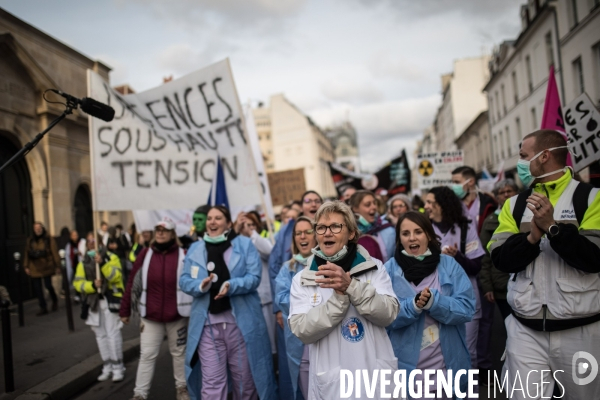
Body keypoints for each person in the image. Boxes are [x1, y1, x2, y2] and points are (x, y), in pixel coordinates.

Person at [488, 130, 600, 398]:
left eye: (524, 156)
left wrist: (553, 228)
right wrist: (532, 237)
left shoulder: (591, 198)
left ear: (545, 156)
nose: (521, 164)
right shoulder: (514, 205)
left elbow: (593, 258)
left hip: (581, 330)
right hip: (526, 330)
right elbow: (501, 259)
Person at [289, 200, 399, 400]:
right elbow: (301, 330)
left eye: (335, 226)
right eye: (321, 227)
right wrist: (338, 299)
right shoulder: (303, 279)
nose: (327, 233)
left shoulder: (374, 268)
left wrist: (351, 287)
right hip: (333, 385)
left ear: (351, 233)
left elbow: (389, 314)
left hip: (375, 379)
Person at [179, 206, 277, 400]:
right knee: (212, 382)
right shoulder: (195, 248)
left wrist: (231, 285)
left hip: (240, 325)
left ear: (228, 223)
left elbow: (254, 277)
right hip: (207, 326)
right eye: (209, 219)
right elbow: (184, 280)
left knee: (245, 382)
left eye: (217, 218)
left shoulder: (244, 244)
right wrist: (201, 285)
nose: (212, 222)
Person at [384, 211, 475, 398]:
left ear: (428, 234)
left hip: (447, 371)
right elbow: (383, 316)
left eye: (418, 231)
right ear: (399, 238)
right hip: (405, 373)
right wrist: (413, 306)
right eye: (405, 233)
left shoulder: (449, 265)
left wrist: (436, 302)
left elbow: (467, 309)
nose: (412, 238)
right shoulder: (389, 270)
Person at [120, 217, 191, 400]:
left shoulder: (184, 254)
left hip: (177, 315)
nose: (160, 232)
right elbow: (132, 282)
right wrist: (125, 309)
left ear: (172, 234)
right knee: (147, 355)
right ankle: (140, 394)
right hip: (150, 316)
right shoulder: (145, 254)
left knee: (179, 354)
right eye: (158, 229)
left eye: (164, 230)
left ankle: (182, 389)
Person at [424, 186, 484, 373]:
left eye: (430, 202)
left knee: (467, 352)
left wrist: (457, 256)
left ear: (442, 205)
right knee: (439, 354)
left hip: (465, 299)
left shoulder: (465, 227)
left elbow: (476, 266)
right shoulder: (424, 228)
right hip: (435, 301)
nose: (425, 206)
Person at [268, 191, 320, 398]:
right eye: (298, 233)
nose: (302, 236)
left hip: (326, 335)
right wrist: (312, 301)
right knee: (304, 384)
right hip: (298, 338)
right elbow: (282, 298)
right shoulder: (286, 269)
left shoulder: (327, 264)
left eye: (308, 232)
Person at [73, 232, 125, 382]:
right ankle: (107, 366)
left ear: (100, 242)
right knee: (100, 335)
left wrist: (102, 263)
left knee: (112, 334)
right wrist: (91, 285)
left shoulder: (111, 257)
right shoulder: (84, 261)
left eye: (93, 240)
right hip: (93, 303)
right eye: (88, 240)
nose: (90, 242)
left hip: (110, 301)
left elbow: (116, 276)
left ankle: (118, 367)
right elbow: (77, 283)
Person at [235, 211, 277, 355]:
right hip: (245, 301)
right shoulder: (236, 244)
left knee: (271, 340)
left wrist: (252, 234)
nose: (249, 227)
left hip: (265, 299)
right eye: (245, 225)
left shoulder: (260, 241)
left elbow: (270, 251)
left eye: (252, 225)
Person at [480, 179, 517, 321]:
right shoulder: (490, 221)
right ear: (497, 197)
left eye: (509, 191)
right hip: (502, 285)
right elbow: (485, 256)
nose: (506, 195)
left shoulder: (528, 215)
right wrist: (487, 286)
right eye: (502, 193)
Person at [24, 222, 60, 315]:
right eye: (36, 228)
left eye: (39, 228)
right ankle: (43, 307)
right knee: (38, 288)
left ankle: (54, 300)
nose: (38, 229)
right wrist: (26, 266)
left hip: (47, 266)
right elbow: (27, 253)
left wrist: (58, 265)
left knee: (48, 285)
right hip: (34, 267)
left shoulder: (48, 239)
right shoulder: (30, 240)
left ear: (42, 228)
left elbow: (54, 252)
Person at [349, 190, 396, 262]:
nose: (374, 207)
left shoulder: (389, 230)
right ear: (355, 208)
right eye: (368, 204)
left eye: (374, 203)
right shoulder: (350, 234)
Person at [451, 166, 497, 234]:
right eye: (453, 182)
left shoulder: (488, 204)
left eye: (457, 182)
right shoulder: (451, 206)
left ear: (471, 181)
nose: (454, 186)